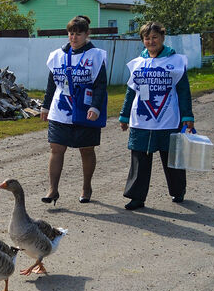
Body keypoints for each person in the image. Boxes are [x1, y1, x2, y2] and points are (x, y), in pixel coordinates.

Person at [119, 21, 194, 210]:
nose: (151, 41)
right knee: (139, 158)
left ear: (162, 38)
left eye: (154, 37)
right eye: (147, 38)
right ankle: (137, 197)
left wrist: (187, 116)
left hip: (168, 118)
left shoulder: (176, 61)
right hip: (142, 120)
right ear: (142, 40)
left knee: (172, 157)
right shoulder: (138, 63)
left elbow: (184, 90)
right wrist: (124, 115)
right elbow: (131, 91)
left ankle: (178, 190)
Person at [41, 15, 108, 205]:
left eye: (78, 34)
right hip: (60, 109)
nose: (74, 38)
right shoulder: (57, 56)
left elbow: (100, 84)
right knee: (56, 148)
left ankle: (86, 187)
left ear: (87, 34)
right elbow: (51, 83)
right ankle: (53, 189)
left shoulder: (95, 55)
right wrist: (45, 106)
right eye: (71, 33)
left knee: (86, 150)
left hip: (85, 109)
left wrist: (95, 106)